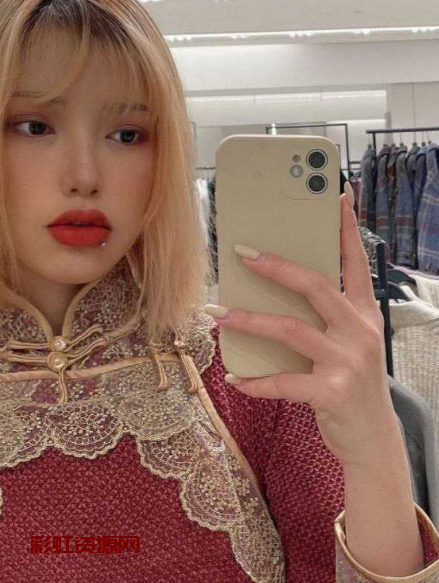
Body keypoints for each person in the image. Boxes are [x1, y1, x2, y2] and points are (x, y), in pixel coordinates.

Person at [0, 1, 437, 582]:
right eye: (34, 126)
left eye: (127, 134)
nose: (84, 176)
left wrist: (375, 442)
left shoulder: (248, 370)